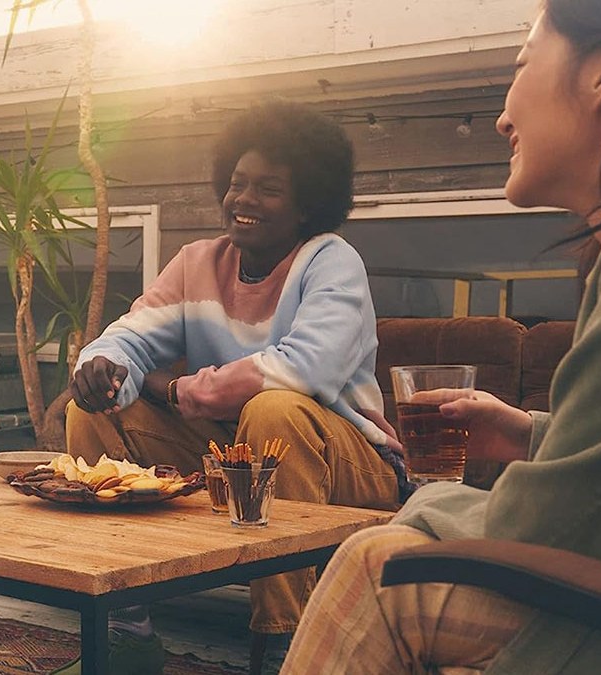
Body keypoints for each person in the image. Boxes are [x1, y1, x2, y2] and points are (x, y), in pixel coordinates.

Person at [280, 0, 601, 672]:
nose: (502, 116)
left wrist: (425, 502)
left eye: (521, 63)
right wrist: (528, 434)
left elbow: (545, 528)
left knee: (376, 565)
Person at [63, 99, 405, 674]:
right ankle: (126, 626)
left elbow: (303, 370)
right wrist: (104, 365)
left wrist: (179, 392)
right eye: (238, 184)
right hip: (231, 461)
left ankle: (286, 645)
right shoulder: (198, 261)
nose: (244, 200)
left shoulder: (330, 262)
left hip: (351, 468)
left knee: (274, 413)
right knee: (89, 411)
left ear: (306, 205)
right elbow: (130, 335)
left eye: (268, 189)